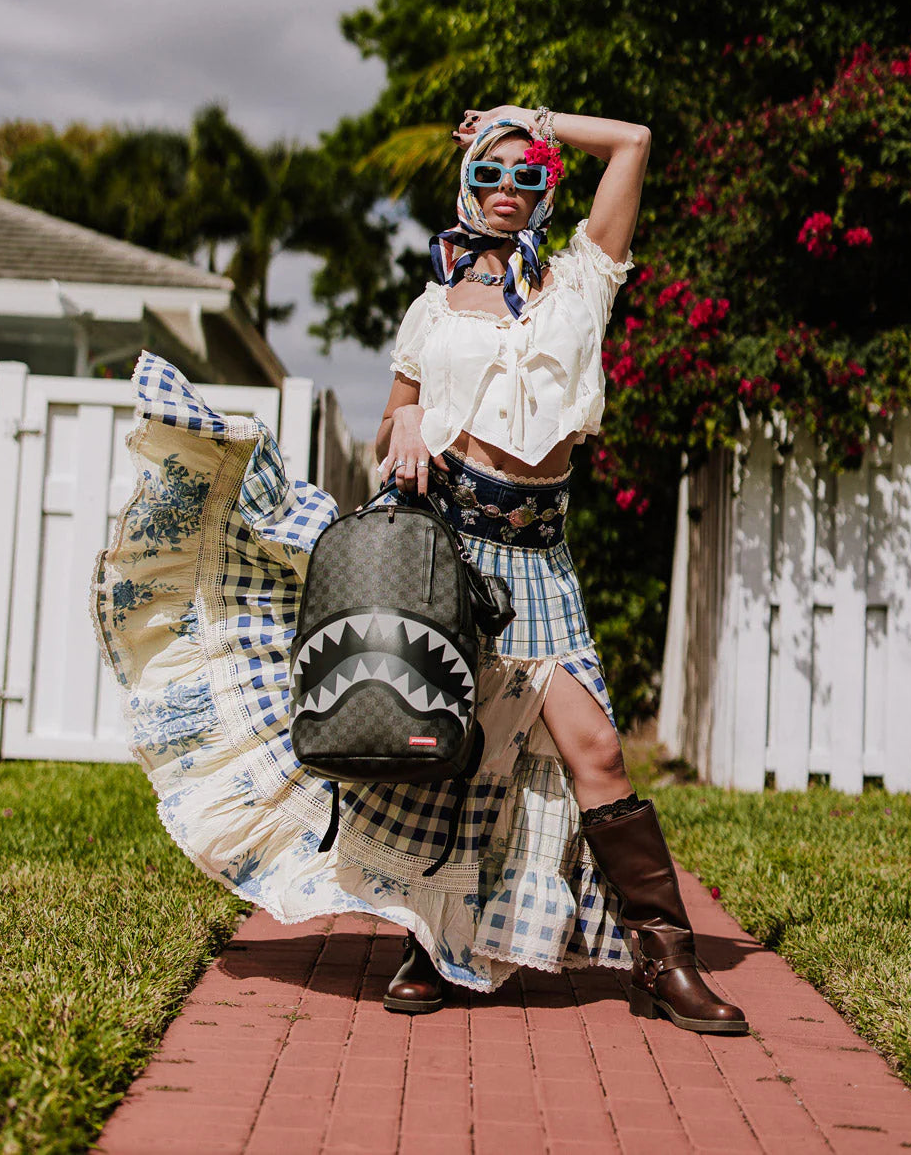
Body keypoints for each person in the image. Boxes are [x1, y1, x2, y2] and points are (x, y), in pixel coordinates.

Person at [90, 104, 745, 1036]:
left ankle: (665, 961)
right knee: (439, 747)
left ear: (548, 187)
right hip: (449, 550)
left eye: (527, 174)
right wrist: (402, 421)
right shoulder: (431, 307)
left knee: (596, 751)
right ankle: (427, 941)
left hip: (540, 559)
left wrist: (529, 118)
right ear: (466, 187)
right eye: (490, 173)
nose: (508, 190)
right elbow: (392, 425)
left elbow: (634, 141)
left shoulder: (580, 280)